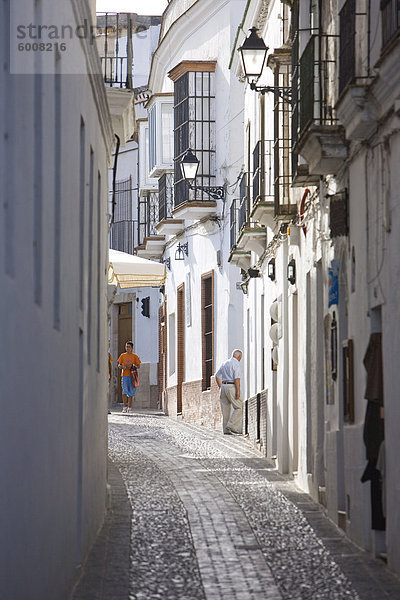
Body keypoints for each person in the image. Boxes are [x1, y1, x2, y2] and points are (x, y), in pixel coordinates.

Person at [215, 349, 243, 435]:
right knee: (239, 407)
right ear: (239, 356)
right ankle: (231, 425)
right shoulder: (236, 363)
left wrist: (221, 386)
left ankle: (226, 430)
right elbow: (237, 378)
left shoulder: (225, 363)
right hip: (231, 386)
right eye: (240, 357)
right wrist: (238, 391)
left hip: (223, 386)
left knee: (225, 409)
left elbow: (217, 375)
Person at [117, 341, 141, 413]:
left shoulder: (135, 356)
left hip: (132, 376)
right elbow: (119, 365)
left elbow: (138, 366)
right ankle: (124, 407)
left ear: (132, 348)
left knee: (131, 392)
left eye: (129, 347)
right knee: (124, 391)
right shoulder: (122, 356)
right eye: (126, 347)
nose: (127, 348)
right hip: (124, 375)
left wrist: (132, 366)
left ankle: (129, 407)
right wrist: (122, 367)